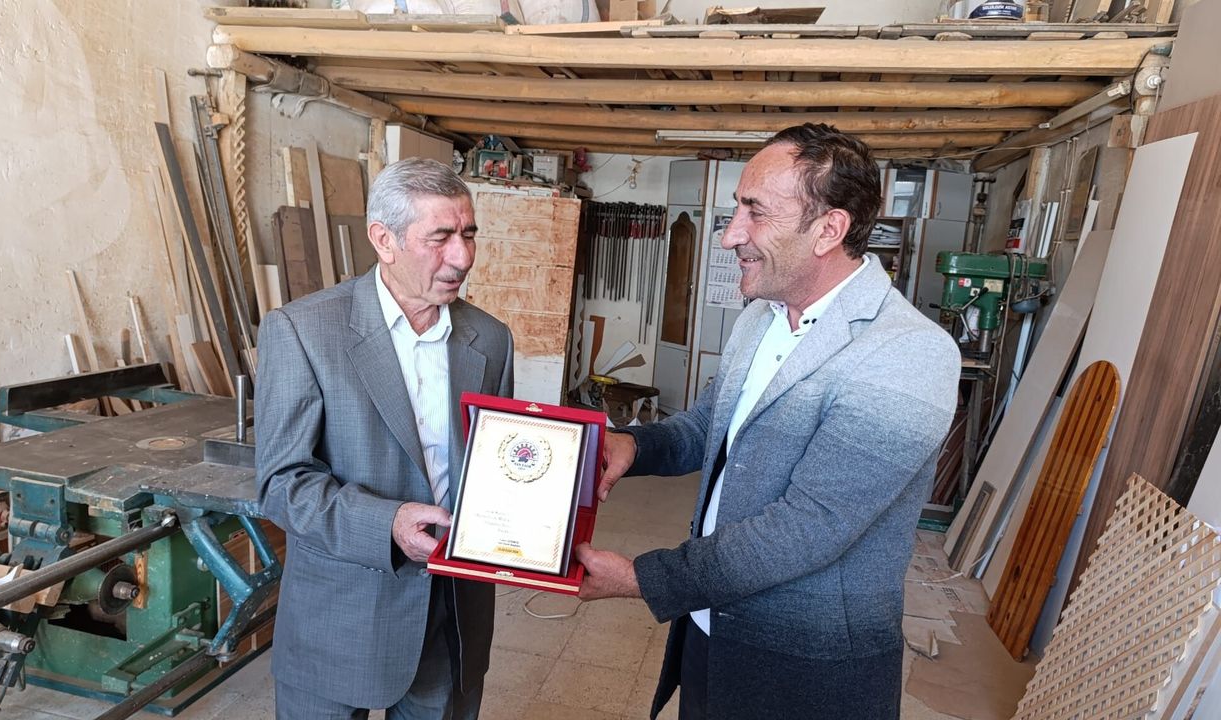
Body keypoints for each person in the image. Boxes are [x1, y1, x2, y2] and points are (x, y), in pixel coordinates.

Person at [575, 124, 960, 719]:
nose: (730, 235)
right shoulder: (762, 316)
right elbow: (710, 427)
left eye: (755, 212)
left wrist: (644, 580)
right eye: (737, 209)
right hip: (710, 628)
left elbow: (810, 526)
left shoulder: (908, 352)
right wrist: (635, 445)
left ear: (829, 229)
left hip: (805, 668)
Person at [255, 157, 514, 719]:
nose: (463, 257)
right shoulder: (303, 331)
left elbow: (495, 470)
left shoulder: (490, 339)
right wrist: (387, 524)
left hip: (449, 618)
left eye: (469, 235)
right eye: (440, 238)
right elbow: (281, 484)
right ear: (383, 240)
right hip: (339, 616)